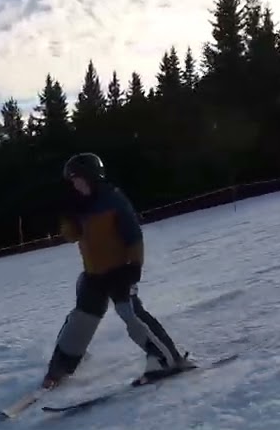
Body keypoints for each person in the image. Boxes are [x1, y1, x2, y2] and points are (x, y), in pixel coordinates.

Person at [42, 152, 187, 389]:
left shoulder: (113, 200)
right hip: (93, 274)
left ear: (91, 177)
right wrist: (68, 218)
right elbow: (72, 236)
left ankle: (167, 360)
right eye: (72, 181)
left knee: (131, 313)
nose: (74, 184)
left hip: (120, 270)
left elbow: (133, 235)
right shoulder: (79, 205)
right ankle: (60, 367)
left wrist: (134, 266)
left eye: (77, 179)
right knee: (81, 320)